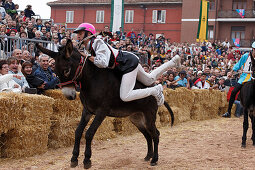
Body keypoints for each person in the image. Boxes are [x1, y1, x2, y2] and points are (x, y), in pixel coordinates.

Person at [73, 23, 181, 106]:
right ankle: (173, 62)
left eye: (80, 33)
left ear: (88, 34)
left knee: (125, 96)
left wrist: (86, 56)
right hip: (127, 60)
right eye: (77, 34)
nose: (77, 36)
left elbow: (103, 63)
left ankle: (155, 90)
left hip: (126, 62)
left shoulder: (97, 42)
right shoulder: (88, 47)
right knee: (149, 80)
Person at [222, 42, 255, 117]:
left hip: (254, 77)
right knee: (234, 92)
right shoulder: (246, 56)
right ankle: (229, 112)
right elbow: (238, 65)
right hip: (244, 77)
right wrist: (231, 72)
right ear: (253, 49)